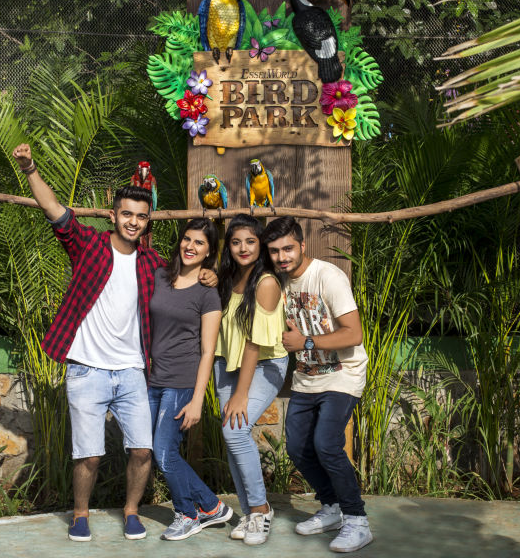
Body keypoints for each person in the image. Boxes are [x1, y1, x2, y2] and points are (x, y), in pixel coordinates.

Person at [10, 144, 215, 543]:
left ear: (146, 220)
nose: (133, 222)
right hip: (86, 370)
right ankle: (80, 514)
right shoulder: (87, 244)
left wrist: (209, 275)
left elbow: (187, 274)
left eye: (141, 216)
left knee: (143, 450)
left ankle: (132, 511)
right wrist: (30, 168)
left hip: (133, 372)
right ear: (113, 215)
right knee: (88, 455)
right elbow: (54, 208)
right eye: (127, 214)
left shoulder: (153, 263)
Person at [263, 216, 373, 553]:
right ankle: (332, 506)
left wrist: (306, 343)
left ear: (302, 246)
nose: (282, 257)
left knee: (326, 444)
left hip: (343, 373)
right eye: (275, 251)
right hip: (307, 378)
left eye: (287, 249)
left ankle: (357, 520)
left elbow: (354, 334)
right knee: (297, 447)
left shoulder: (328, 276)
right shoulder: (279, 282)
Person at [147, 218, 233, 540]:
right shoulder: (160, 276)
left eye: (199, 243)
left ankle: (188, 514)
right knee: (159, 450)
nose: (190, 246)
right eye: (187, 239)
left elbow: (208, 350)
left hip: (182, 382)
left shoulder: (208, 293)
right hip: (154, 379)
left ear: (209, 252)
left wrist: (198, 399)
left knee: (165, 452)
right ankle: (210, 506)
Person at [214, 215, 288, 545]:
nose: (243, 248)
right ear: (228, 246)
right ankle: (249, 512)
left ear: (260, 244)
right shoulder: (227, 277)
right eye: (236, 241)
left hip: (263, 365)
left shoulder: (266, 283)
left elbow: (254, 344)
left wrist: (242, 393)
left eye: (250, 241)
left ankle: (261, 509)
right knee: (232, 435)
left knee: (234, 427)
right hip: (226, 363)